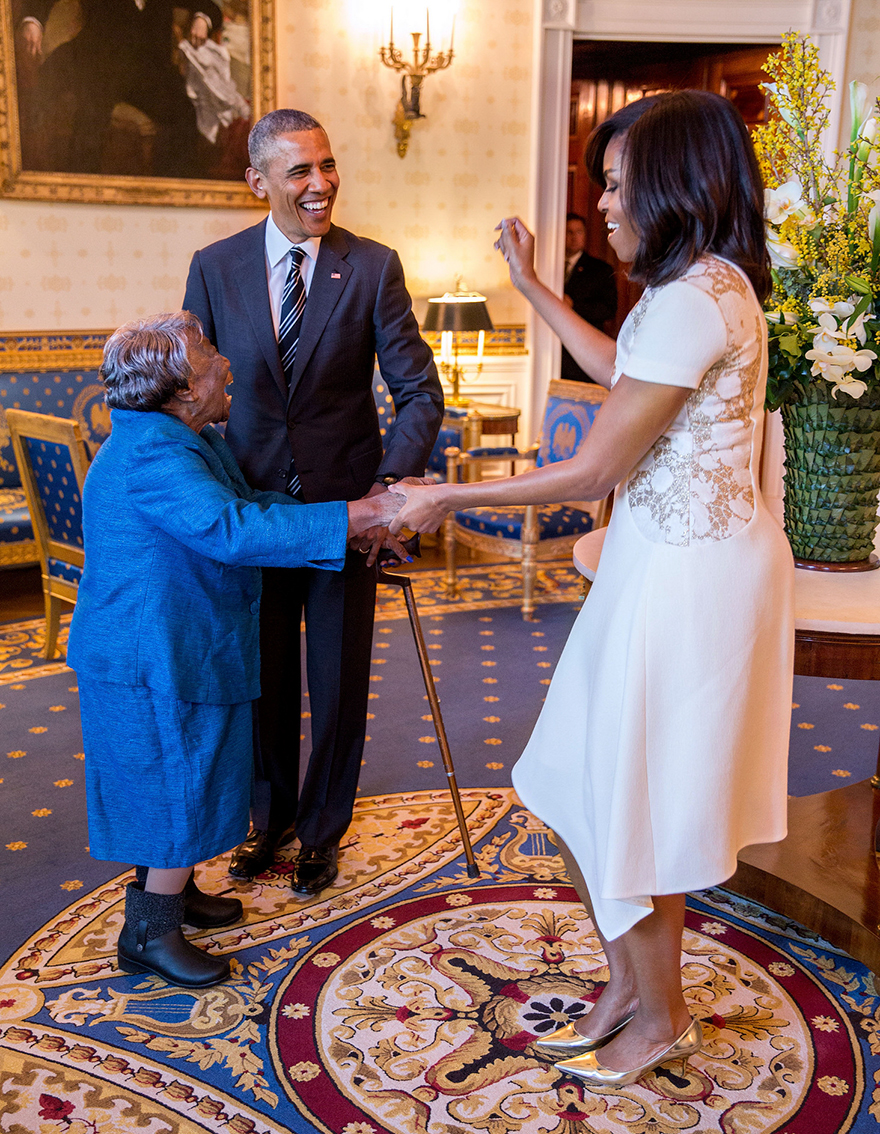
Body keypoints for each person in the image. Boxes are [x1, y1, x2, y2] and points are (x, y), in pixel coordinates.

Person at [390, 91, 794, 1087]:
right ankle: (629, 984)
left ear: (669, 182)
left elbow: (592, 468)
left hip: (689, 582)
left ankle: (657, 1017)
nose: (603, 204)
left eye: (615, 184)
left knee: (634, 801)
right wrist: (529, 284)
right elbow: (621, 370)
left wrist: (443, 493)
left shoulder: (703, 293)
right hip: (657, 567)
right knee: (574, 781)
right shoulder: (687, 288)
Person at [66, 311, 409, 988]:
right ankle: (149, 933)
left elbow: (250, 502)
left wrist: (350, 521)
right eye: (211, 357)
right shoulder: (155, 456)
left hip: (176, 640)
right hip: (150, 654)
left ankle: (174, 891)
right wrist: (369, 514)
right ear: (185, 389)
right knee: (172, 781)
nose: (227, 365)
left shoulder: (180, 437)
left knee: (184, 776)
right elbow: (233, 527)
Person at [182, 109, 444, 896]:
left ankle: (324, 831)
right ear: (258, 181)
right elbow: (194, 393)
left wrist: (384, 489)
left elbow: (419, 392)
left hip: (344, 519)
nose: (320, 184)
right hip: (252, 517)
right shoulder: (214, 266)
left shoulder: (372, 266)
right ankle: (271, 823)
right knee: (260, 679)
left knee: (335, 685)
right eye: (299, 171)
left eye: (327, 165)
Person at [560, 213, 617, 383]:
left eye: (578, 232)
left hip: (585, 349)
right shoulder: (549, 265)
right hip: (555, 350)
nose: (573, 237)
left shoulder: (600, 269)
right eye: (569, 232)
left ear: (585, 235)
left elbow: (608, 309)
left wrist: (574, 306)